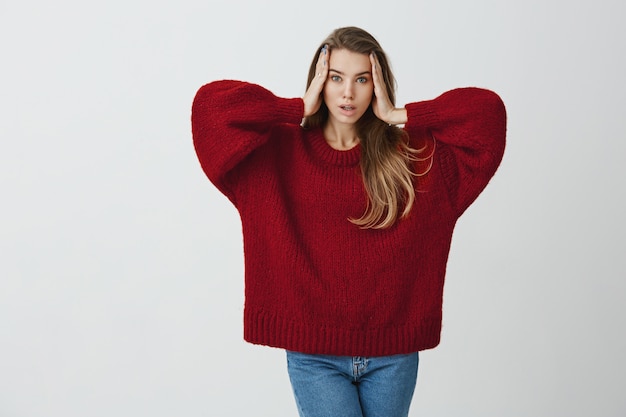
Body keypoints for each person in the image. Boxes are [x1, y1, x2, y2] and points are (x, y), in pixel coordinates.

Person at [192, 26, 506, 417]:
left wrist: (399, 115)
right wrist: (293, 108)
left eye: (362, 79)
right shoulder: (274, 154)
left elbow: (488, 116)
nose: (348, 93)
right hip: (315, 357)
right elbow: (209, 108)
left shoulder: (414, 157)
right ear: (319, 81)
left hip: (393, 355)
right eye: (336, 78)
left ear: (377, 86)